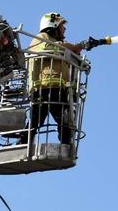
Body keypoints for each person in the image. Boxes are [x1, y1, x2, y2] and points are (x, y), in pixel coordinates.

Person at [22, 11, 85, 147]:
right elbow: (45, 48)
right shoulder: (41, 37)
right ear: (53, 25)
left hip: (57, 88)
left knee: (64, 120)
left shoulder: (58, 44)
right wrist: (71, 47)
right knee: (37, 120)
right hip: (44, 88)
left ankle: (66, 145)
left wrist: (76, 51)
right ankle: (23, 143)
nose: (65, 28)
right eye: (62, 25)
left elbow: (64, 52)